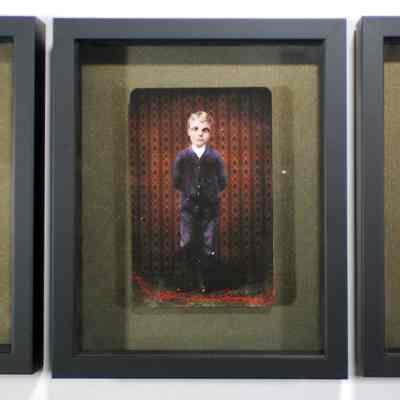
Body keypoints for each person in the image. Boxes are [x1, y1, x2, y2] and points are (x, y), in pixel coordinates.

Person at [172, 111, 228, 293]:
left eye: (205, 130)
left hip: (210, 210)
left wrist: (210, 194)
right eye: (195, 129)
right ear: (188, 131)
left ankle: (206, 281)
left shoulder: (215, 157)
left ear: (210, 133)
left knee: (208, 244)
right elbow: (176, 181)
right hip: (188, 209)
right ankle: (187, 280)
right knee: (187, 241)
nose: (200, 134)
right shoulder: (182, 157)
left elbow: (223, 181)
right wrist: (189, 192)